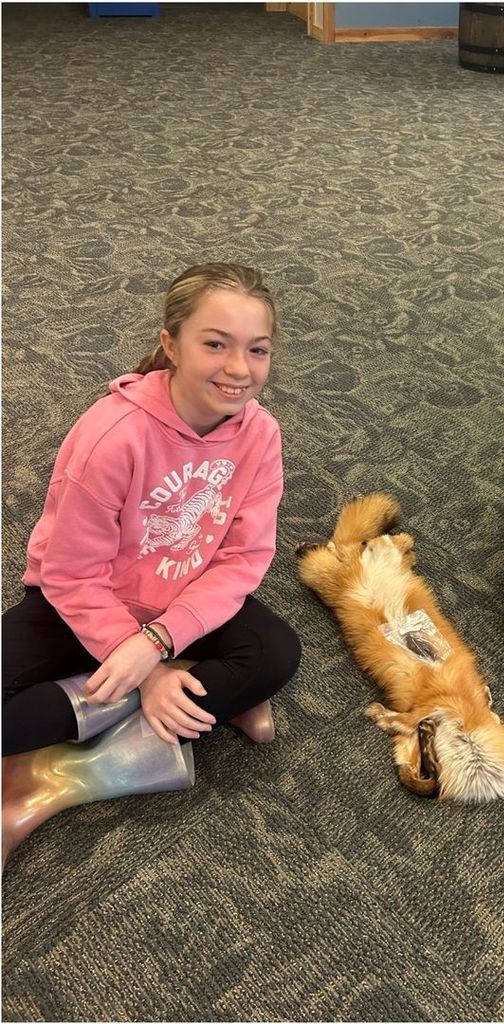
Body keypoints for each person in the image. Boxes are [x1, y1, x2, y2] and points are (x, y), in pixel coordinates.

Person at [2, 263, 301, 864]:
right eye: (215, 344)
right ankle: (186, 697)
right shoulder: (113, 436)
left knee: (277, 655)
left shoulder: (261, 435)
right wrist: (146, 669)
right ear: (171, 344)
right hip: (90, 605)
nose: (239, 369)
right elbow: (70, 576)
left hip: (178, 605)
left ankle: (61, 764)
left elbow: (243, 559)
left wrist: (159, 644)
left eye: (257, 349)